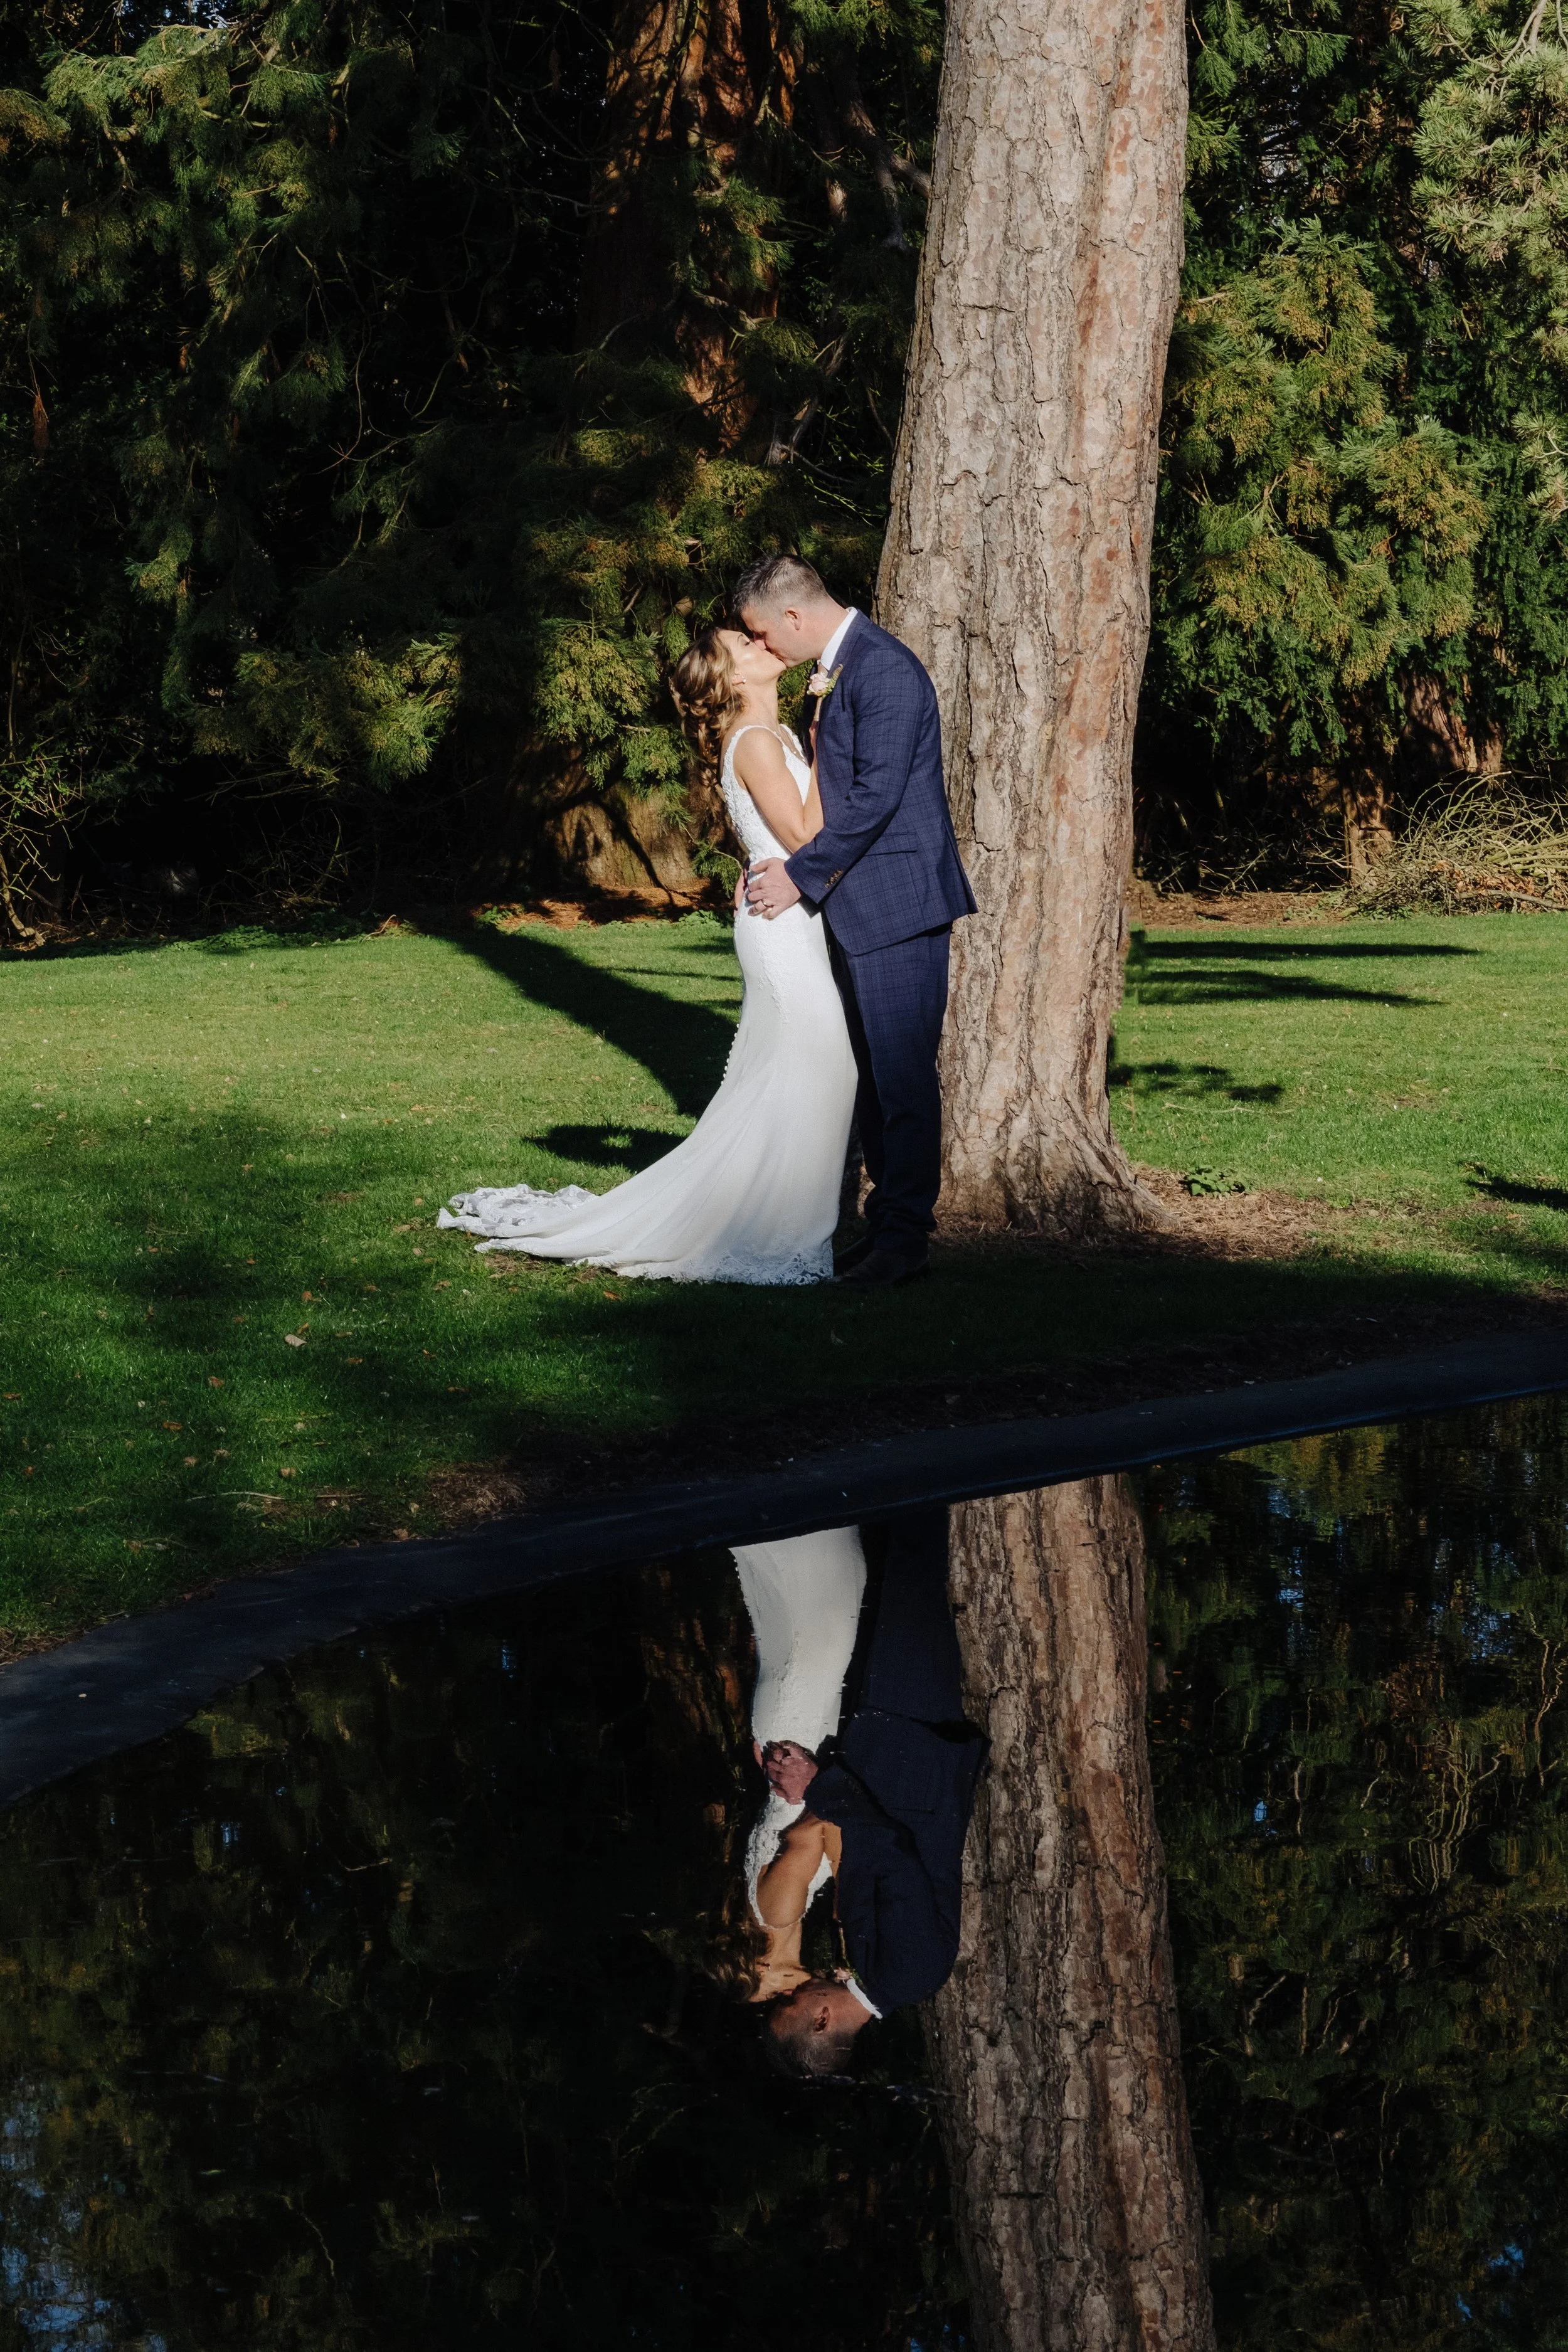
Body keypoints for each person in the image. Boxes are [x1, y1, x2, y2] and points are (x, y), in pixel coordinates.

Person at [437, 626, 857, 1283]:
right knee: (817, 1069)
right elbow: (804, 832)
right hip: (781, 929)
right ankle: (782, 1236)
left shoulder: (768, 737)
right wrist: (830, 740)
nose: (759, 643)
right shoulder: (754, 743)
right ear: (734, 680)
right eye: (742, 645)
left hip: (790, 916)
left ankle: (773, 1219)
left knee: (803, 1073)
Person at [734, 554, 976, 1289]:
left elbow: (873, 799)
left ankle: (906, 1240)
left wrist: (800, 875)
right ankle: (884, 1231)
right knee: (874, 1081)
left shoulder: (883, 670)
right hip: (858, 904)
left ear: (794, 619)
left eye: (764, 636)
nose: (767, 651)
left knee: (901, 1079)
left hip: (899, 902)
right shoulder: (840, 667)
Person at [759, 1508, 986, 2079]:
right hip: (912, 1746)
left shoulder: (873, 1969)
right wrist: (821, 1788)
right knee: (912, 1575)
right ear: (820, 2022)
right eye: (789, 2007)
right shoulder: (907, 1975)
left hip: (889, 1747)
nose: (789, 1995)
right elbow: (893, 1857)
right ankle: (931, 1451)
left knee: (893, 1576)